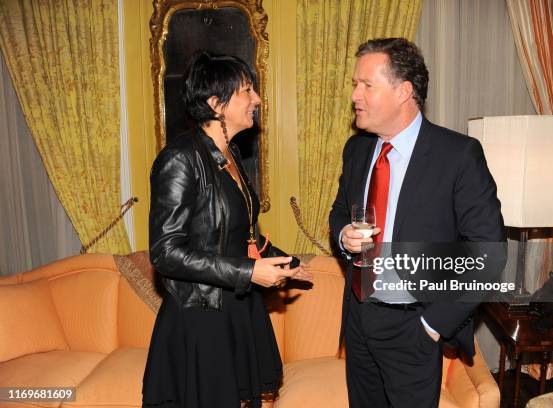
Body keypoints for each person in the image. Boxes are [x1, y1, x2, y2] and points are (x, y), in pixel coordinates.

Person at [329, 38, 505, 407]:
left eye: (366, 85)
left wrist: (432, 326)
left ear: (404, 92)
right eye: (354, 84)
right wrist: (344, 234)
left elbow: (489, 254)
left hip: (413, 325)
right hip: (359, 320)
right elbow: (340, 212)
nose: (354, 96)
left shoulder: (457, 155)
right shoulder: (357, 149)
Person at [143, 51, 312, 408]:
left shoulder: (230, 154)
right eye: (247, 91)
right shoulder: (180, 159)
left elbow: (240, 235)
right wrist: (250, 272)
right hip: (201, 315)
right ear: (216, 103)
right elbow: (165, 252)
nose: (257, 100)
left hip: (236, 304)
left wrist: (285, 262)